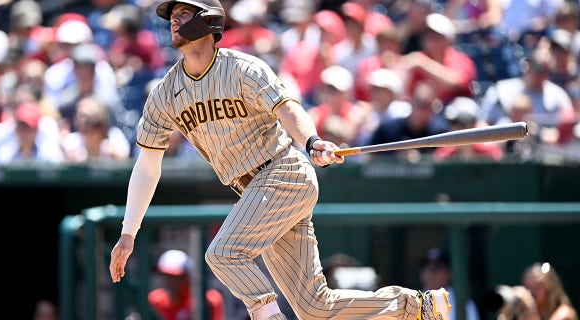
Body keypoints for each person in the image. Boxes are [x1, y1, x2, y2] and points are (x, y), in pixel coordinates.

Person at [108, 1, 451, 319]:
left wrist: (312, 141)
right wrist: (128, 231)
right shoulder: (166, 93)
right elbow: (148, 164)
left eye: (183, 12)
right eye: (172, 16)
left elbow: (287, 109)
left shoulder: (242, 68)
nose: (174, 20)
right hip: (254, 190)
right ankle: (417, 306)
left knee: (222, 253)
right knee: (314, 308)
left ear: (208, 20)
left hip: (283, 171)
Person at [148, 249, 225, 320]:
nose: (168, 281)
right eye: (165, 275)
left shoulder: (210, 300)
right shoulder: (154, 300)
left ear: (186, 277)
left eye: (174, 277)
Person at [419, 248, 480, 320]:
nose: (430, 274)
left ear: (450, 273)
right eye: (426, 268)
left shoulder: (462, 302)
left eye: (436, 269)